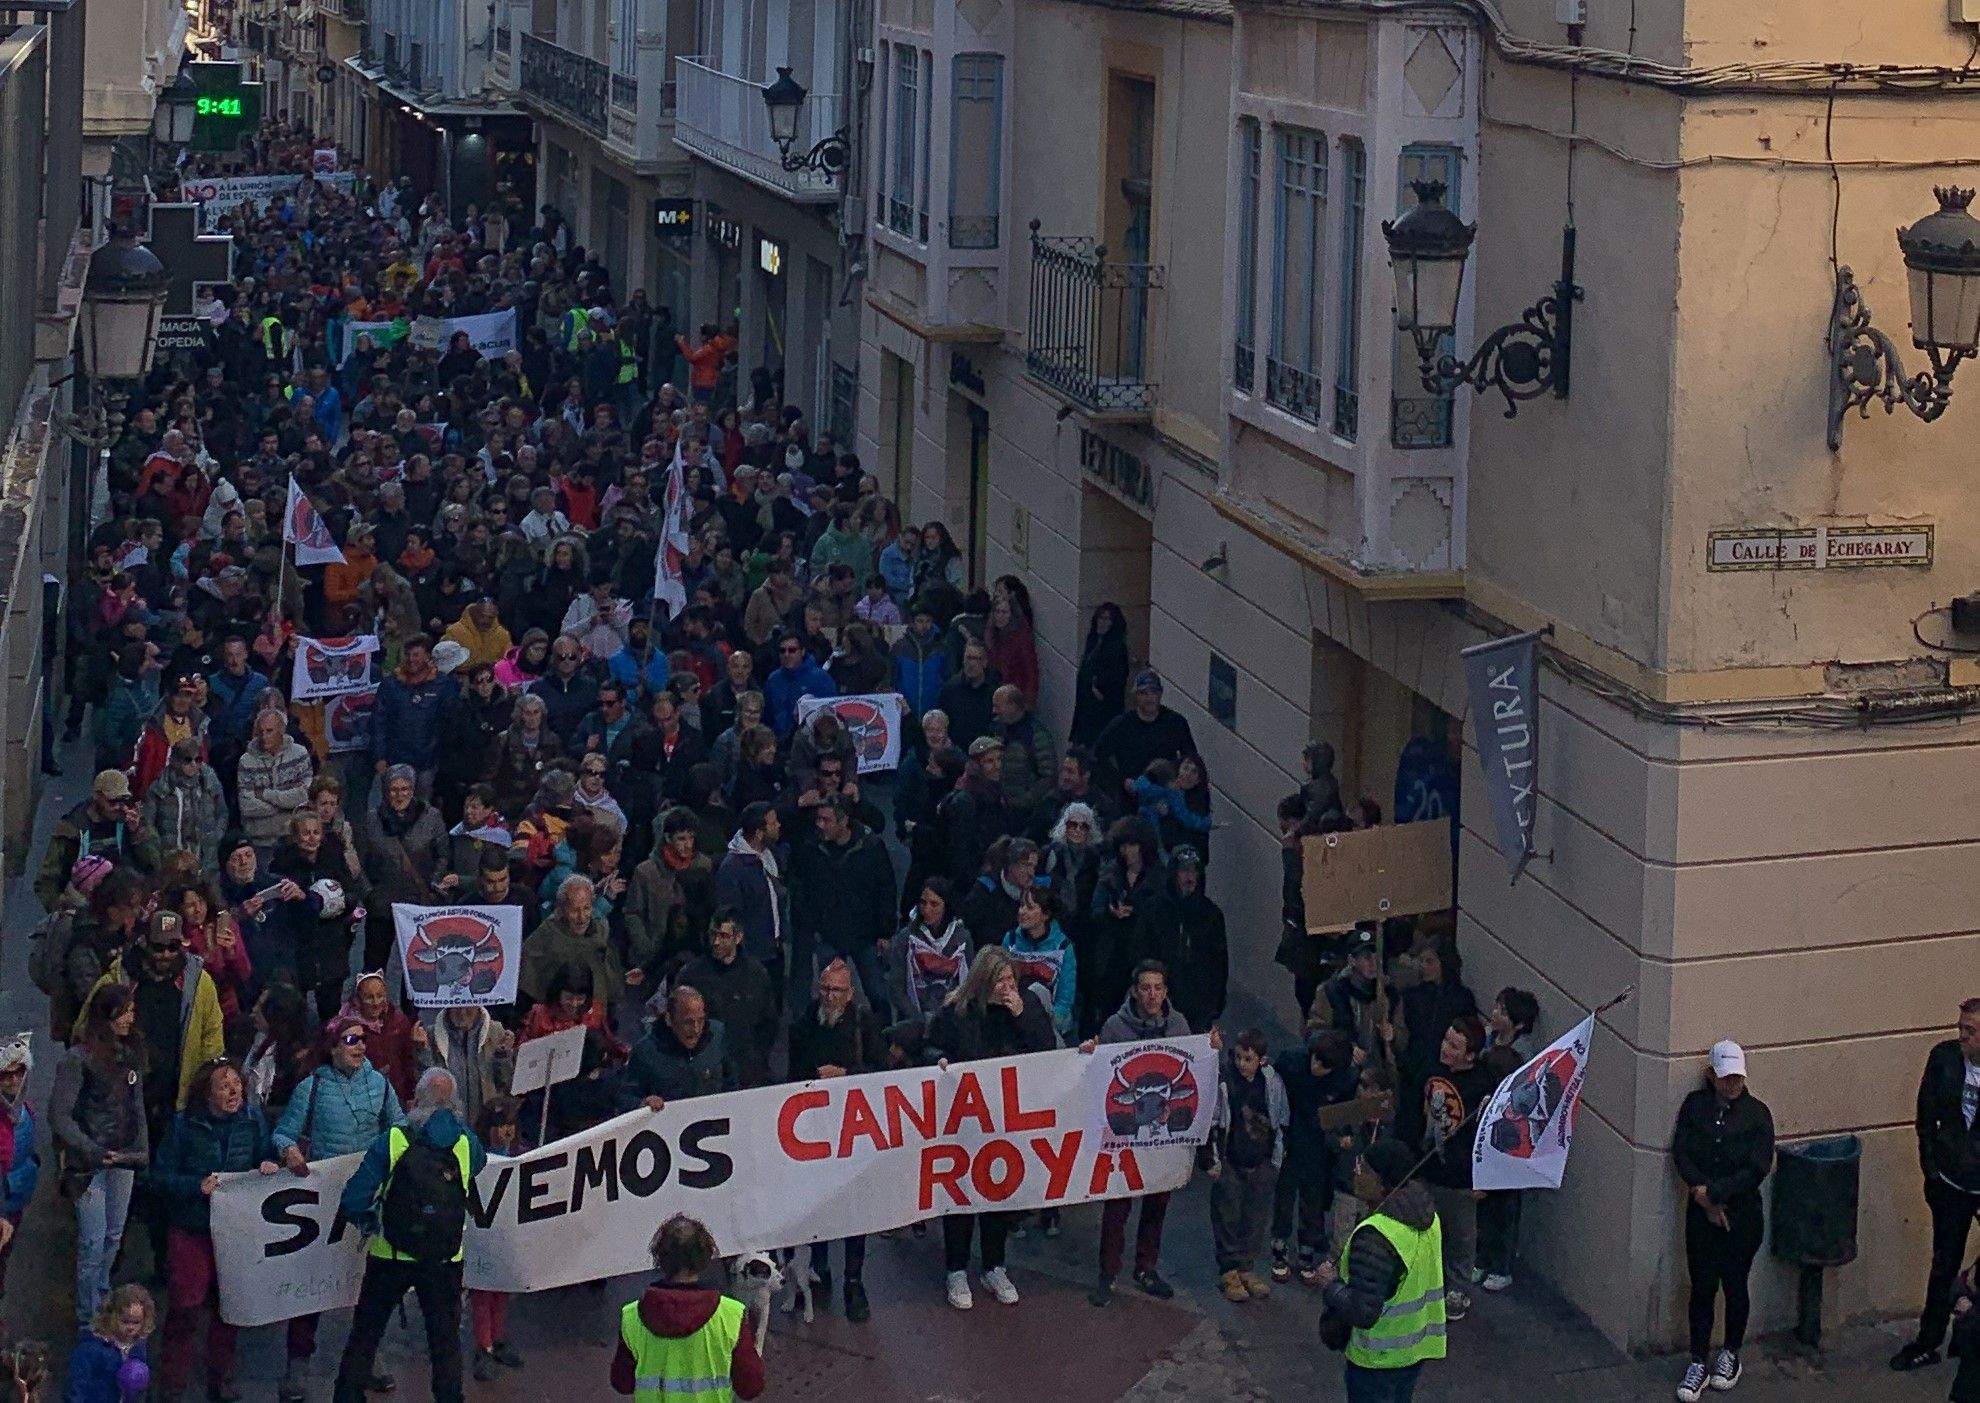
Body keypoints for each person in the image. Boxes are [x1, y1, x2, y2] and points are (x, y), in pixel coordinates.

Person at [271, 1015, 409, 1401]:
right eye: (350, 1040)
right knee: (310, 1284)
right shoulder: (311, 1087)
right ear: (332, 1047)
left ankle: (368, 1357)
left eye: (362, 1039)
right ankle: (297, 1364)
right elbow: (283, 1131)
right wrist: (289, 1149)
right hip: (321, 1203)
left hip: (367, 1201)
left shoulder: (380, 1085)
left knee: (369, 1283)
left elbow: (398, 1128)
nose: (358, 1046)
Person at [333, 1067, 488, 1403]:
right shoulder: (464, 1142)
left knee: (366, 1333)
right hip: (445, 1258)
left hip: (390, 1254)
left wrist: (370, 1222)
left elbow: (355, 1197)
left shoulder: (395, 1139)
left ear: (416, 1099)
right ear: (456, 1103)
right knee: (444, 1342)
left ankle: (347, 1396)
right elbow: (480, 1164)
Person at [923, 947, 1058, 1309]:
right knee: (962, 1195)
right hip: (964, 1122)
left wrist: (1022, 1015)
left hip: (1004, 1123)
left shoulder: (1025, 1006)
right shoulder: (958, 1011)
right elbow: (929, 1047)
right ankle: (956, 1269)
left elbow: (1047, 1052)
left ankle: (994, 1265)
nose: (1006, 986)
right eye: (999, 980)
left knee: (998, 1192)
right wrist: (939, 1063)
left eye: (1010, 979)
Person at [150, 1057, 280, 1402]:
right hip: (191, 1230)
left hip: (235, 1230)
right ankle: (173, 1384)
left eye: (236, 1084)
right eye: (224, 1086)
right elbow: (159, 1179)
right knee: (185, 1307)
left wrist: (268, 1163)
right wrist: (195, 1186)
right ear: (207, 1094)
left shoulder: (253, 1122)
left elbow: (263, 1155)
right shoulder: (182, 1126)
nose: (234, 1090)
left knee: (229, 1306)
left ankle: (220, 1377)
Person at [1081, 960, 1200, 1306]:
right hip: (1124, 1137)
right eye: (1145, 988)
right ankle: (1108, 1273)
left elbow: (1195, 1068)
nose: (1152, 995)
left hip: (1162, 1139)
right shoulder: (1115, 1027)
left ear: (1166, 992)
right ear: (1134, 991)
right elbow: (1098, 1074)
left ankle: (1147, 1267)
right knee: (1117, 1204)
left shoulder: (1178, 1025)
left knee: (1157, 1204)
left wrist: (1210, 1049)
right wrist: (1089, 1054)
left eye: (1158, 988)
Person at [1667, 1039, 1776, 1402]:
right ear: (1712, 1076)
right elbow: (1681, 1149)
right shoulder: (1696, 1108)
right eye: (1725, 1078)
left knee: (1734, 1283)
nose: (1732, 1085)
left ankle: (1730, 1351)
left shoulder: (1757, 1115)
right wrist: (1700, 1193)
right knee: (1702, 1285)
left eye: (1737, 1078)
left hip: (1740, 1214)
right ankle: (1699, 1357)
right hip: (1702, 1213)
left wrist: (1715, 1194)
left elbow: (1757, 1167)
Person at [785, 958, 883, 1322]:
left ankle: (853, 1281)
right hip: (814, 1130)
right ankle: (819, 1270)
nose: (829, 996)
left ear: (850, 993)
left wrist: (846, 1075)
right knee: (818, 1205)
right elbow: (792, 1075)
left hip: (853, 1131)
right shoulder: (803, 1025)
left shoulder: (864, 1024)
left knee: (854, 1211)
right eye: (824, 989)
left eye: (836, 991)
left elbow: (881, 1072)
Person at [1316, 1137, 1448, 1403]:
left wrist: (1330, 1284)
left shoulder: (1377, 1235)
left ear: (1383, 1183)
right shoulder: (1428, 1218)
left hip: (1376, 1359)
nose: (1356, 1172)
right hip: (1413, 1352)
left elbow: (1362, 1309)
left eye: (1364, 1168)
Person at [50, 985, 149, 1329]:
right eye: (122, 1011)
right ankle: (87, 1319)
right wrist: (90, 1149)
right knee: (92, 1242)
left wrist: (140, 1150)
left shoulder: (131, 1055)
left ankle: (101, 1301)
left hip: (122, 1159)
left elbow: (136, 1107)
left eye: (131, 1011)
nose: (128, 1018)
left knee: (113, 1236)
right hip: (88, 1166)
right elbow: (59, 1115)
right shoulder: (77, 1059)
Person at [1893, 997, 1980, 1373]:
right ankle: (1929, 1341)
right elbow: (1925, 1117)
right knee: (1943, 1262)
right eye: (1961, 1028)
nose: (1962, 1036)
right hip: (1951, 1181)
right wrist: (1931, 1171)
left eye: (1971, 1031)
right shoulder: (1944, 1059)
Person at [611, 1213, 766, 1400]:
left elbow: (623, 1383)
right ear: (704, 1257)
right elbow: (750, 1388)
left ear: (661, 1258)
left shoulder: (632, 1317)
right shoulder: (731, 1315)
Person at [1414, 1014, 1495, 1322]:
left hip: (1462, 1178)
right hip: (1430, 1167)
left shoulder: (1482, 1085)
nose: (1445, 1048)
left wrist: (1484, 1179)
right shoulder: (1433, 1069)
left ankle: (1457, 1290)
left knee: (1461, 1237)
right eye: (1446, 1040)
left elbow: (1488, 1135)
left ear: (1470, 1055)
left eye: (1454, 1045)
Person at [1208, 1028, 1290, 1303]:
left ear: (1261, 1060)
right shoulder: (1224, 1082)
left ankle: (1246, 1266)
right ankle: (1229, 1269)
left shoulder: (1271, 1083)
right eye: (1239, 1057)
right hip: (1231, 1159)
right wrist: (1212, 1159)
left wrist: (1276, 1159)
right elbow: (1213, 1120)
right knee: (1228, 1214)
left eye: (1248, 1059)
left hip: (1262, 1159)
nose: (1242, 1064)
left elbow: (1280, 1118)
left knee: (1255, 1216)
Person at [1273, 1029, 1358, 1285]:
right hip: (1291, 1134)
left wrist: (1341, 1134)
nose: (1316, 1066)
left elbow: (1344, 1109)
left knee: (1313, 1199)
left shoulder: (1344, 1079)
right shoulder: (1292, 1061)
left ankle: (1306, 1251)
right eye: (1315, 1059)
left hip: (1318, 1143)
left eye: (1324, 1065)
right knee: (1285, 1195)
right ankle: (1279, 1247)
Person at [676, 911, 779, 1089]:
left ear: (738, 938)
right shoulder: (692, 975)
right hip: (706, 1072)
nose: (716, 942)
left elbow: (769, 1023)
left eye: (723, 936)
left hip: (747, 1071)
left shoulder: (756, 974)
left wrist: (756, 1058)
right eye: (713, 935)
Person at [37, 770, 159, 910]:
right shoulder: (74, 826)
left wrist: (138, 834)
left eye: (123, 800)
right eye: (113, 801)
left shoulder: (132, 821)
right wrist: (62, 908)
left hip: (125, 903)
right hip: (85, 906)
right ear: (98, 796)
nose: (119, 807)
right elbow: (47, 879)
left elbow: (154, 864)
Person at [624, 985, 735, 1108]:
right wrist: (643, 1103)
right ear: (669, 1019)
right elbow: (626, 1097)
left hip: (714, 1122)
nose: (696, 1029)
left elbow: (732, 1081)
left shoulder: (718, 1035)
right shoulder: (645, 1051)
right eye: (688, 1022)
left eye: (701, 1020)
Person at [1092, 669, 1197, 799]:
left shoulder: (1175, 723)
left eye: (1154, 692)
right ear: (1136, 695)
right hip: (1130, 797)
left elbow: (1191, 758)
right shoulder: (1121, 725)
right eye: (1144, 693)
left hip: (1166, 796)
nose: (1150, 698)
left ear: (1161, 694)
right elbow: (1098, 756)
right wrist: (1121, 781)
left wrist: (1178, 781)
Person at [887, 878, 971, 1027]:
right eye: (923, 903)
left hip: (950, 1017)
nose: (926, 910)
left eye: (934, 904)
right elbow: (896, 987)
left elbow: (968, 983)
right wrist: (918, 1019)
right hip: (914, 1017)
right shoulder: (906, 938)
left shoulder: (962, 939)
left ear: (946, 906)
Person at [65, 1283, 156, 1403]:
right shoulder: (92, 1347)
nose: (130, 1327)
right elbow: (78, 1384)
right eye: (125, 1321)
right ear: (111, 1315)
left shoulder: (138, 1345)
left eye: (136, 1322)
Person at [1070, 603, 1130, 748]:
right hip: (1086, 706)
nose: (1102, 623)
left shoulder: (1117, 649)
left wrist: (1099, 690)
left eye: (1107, 619)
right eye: (1100, 618)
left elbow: (1117, 679)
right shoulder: (1092, 642)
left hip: (1103, 710)